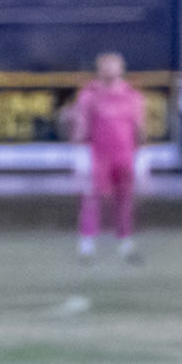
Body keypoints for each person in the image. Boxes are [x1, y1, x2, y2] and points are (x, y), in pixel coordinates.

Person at [64, 51, 145, 262]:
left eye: (114, 65)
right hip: (99, 156)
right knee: (92, 199)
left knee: (125, 200)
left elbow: (140, 127)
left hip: (125, 155)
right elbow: (81, 127)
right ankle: (87, 243)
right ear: (99, 69)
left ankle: (125, 242)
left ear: (121, 69)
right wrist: (78, 150)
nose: (110, 70)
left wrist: (143, 154)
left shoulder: (132, 96)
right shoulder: (89, 95)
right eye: (106, 66)